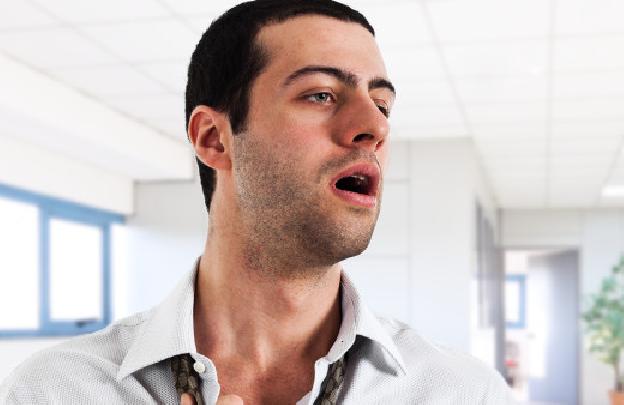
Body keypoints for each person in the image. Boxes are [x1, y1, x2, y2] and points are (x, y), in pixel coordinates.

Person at [0, 1, 515, 404]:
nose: (374, 126)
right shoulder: (53, 392)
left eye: (382, 104)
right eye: (320, 94)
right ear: (214, 139)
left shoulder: (465, 393)